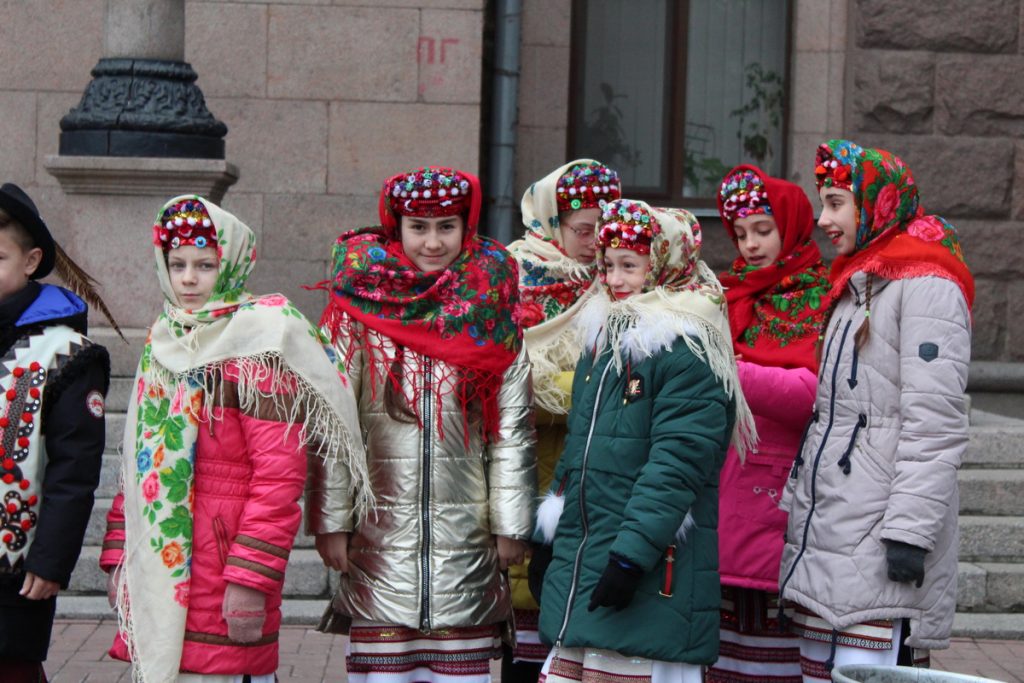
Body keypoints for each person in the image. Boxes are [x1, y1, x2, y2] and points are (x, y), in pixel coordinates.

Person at [100, 195, 367, 683]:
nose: (187, 278)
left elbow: (278, 479)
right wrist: (120, 553)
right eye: (176, 263)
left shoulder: (260, 347)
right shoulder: (164, 340)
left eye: (204, 264)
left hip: (225, 574)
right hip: (162, 565)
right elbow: (137, 465)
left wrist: (250, 579)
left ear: (233, 263)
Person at [311, 166, 536, 683]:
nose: (432, 242)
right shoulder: (358, 307)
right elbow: (333, 422)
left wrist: (510, 523)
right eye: (418, 227)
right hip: (378, 538)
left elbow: (512, 430)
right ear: (396, 226)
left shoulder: (494, 308)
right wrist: (331, 520)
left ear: (467, 225)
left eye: (447, 227)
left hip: (468, 539)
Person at [530, 199, 755, 683]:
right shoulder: (605, 340)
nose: (613, 280)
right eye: (607, 266)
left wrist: (631, 557)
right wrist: (551, 536)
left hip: (650, 571)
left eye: (629, 266)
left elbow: (676, 465)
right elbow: (578, 453)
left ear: (665, 264)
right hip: (587, 559)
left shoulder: (687, 349)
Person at [778, 140, 974, 680]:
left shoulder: (927, 286)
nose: (823, 219)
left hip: (882, 541)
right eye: (823, 203)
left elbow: (934, 425)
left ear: (877, 202)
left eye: (837, 202)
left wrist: (909, 534)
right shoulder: (858, 281)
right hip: (834, 532)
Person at [706, 166, 831, 683]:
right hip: (723, 488)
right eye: (740, 234)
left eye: (763, 230)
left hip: (780, 494)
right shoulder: (729, 295)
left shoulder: (821, 297)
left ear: (792, 225)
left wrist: (732, 371)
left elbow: (815, 393)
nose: (751, 245)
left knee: (773, 661)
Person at [505, 159, 621, 681]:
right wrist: (589, 388)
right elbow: (507, 382)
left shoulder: (623, 278)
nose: (597, 241)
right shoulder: (514, 276)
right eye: (583, 229)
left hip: (596, 480)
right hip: (526, 472)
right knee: (525, 621)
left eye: (606, 227)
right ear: (553, 222)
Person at [0, 183, 113, 683]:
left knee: (14, 668)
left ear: (31, 261)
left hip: (14, 561)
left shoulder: (68, 354)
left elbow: (74, 468)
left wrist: (50, 561)